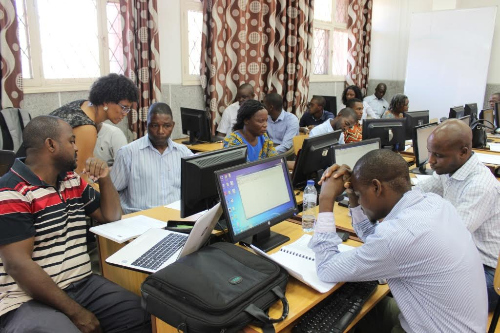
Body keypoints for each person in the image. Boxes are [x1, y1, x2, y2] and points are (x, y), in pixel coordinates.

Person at [0, 116, 150, 332]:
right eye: (71, 141)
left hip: (81, 284)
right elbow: (18, 265)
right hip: (25, 298)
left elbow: (111, 216)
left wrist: (105, 178)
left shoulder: (71, 180)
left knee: (142, 314)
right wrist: (76, 312)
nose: (77, 147)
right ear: (51, 145)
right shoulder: (11, 192)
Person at [310, 149, 487, 333]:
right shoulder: (434, 203)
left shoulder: (399, 237)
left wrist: (325, 199)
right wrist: (354, 197)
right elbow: (374, 238)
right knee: (361, 312)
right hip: (447, 322)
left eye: (360, 194)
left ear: (377, 187)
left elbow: (326, 269)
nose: (360, 202)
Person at [417, 119, 500, 311]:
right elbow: (422, 191)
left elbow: (451, 238)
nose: (430, 160)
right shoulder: (449, 167)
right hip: (464, 255)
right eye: (430, 152)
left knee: (422, 288)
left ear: (463, 152)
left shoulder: (479, 185)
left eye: (437, 155)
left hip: (487, 270)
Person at [111, 102, 193, 214]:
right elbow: (112, 191)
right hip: (140, 219)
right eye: (155, 125)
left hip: (176, 217)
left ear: (173, 126)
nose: (160, 131)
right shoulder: (128, 153)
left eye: (166, 126)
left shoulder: (183, 152)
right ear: (146, 125)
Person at [50, 73, 138, 175]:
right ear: (106, 102)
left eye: (128, 109)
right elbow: (80, 174)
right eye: (124, 107)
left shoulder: (83, 104)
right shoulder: (86, 128)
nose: (125, 114)